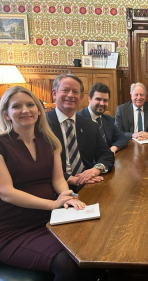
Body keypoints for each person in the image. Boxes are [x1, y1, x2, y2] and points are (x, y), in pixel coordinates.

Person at [0, 86, 86, 280]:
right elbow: (6, 192)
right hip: (12, 229)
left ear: (39, 110)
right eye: (17, 106)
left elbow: (57, 179)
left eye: (31, 105)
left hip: (48, 221)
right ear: (6, 115)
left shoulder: (49, 141)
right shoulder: (1, 144)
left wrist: (67, 197)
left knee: (89, 248)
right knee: (68, 263)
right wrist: (53, 204)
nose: (25, 110)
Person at [47, 74, 114, 192]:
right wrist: (71, 179)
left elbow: (107, 154)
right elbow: (41, 165)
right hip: (53, 188)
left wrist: (96, 169)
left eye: (75, 92)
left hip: (88, 185)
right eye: (65, 90)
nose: (70, 95)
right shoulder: (42, 125)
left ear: (81, 97)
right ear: (54, 93)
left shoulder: (90, 125)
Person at [77, 82, 129, 154]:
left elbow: (122, 138)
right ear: (89, 99)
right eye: (98, 99)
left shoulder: (107, 119)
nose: (102, 104)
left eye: (105, 100)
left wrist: (113, 148)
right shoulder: (78, 119)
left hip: (109, 160)